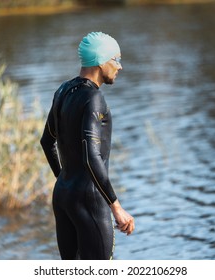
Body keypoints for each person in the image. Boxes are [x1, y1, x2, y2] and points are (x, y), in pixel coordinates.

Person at [40, 32, 135, 260]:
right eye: (116, 59)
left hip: (63, 196)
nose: (119, 67)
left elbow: (47, 141)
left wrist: (64, 179)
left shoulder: (63, 91)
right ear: (102, 61)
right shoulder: (94, 98)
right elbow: (91, 157)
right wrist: (116, 207)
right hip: (90, 200)